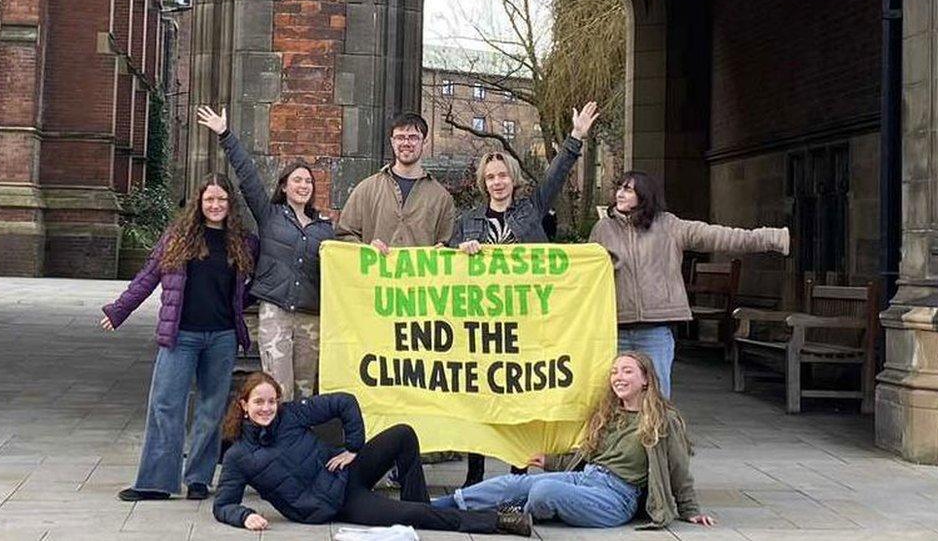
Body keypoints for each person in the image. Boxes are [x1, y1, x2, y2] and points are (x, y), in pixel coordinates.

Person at [452, 101, 600, 487]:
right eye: (490, 177)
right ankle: (475, 472)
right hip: (481, 324)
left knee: (517, 397)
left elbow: (556, 174)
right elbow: (443, 268)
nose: (497, 182)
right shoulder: (467, 221)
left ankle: (518, 470)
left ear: (512, 179)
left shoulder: (531, 211)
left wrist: (575, 137)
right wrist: (459, 252)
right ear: (483, 182)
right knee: (480, 398)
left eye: (502, 175)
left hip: (525, 322)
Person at [212, 372, 532, 536]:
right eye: (259, 402)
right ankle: (499, 522)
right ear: (243, 406)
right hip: (336, 505)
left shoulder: (292, 414)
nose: (267, 408)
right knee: (410, 515)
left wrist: (354, 446)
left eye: (272, 401)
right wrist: (244, 516)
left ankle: (419, 512)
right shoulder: (240, 455)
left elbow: (345, 402)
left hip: (345, 472)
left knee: (403, 434)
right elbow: (223, 504)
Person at [101, 174, 258, 501]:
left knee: (211, 409)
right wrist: (119, 310)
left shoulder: (244, 243)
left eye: (221, 200)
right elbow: (147, 277)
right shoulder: (178, 237)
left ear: (230, 204)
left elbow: (252, 287)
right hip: (180, 335)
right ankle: (156, 483)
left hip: (222, 337)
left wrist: (238, 305)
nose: (215, 206)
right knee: (165, 404)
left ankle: (199, 479)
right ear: (199, 204)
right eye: (209, 200)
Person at [432, 352, 715, 530]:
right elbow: (586, 455)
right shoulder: (609, 415)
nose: (618, 377)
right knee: (515, 483)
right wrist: (552, 461)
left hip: (617, 497)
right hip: (586, 478)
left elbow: (679, 469)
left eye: (627, 371)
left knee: (544, 490)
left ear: (646, 380)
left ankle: (507, 512)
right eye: (615, 372)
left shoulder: (664, 421)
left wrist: (691, 511)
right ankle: (440, 505)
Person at [589, 171, 790, 397]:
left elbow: (720, 236)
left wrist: (771, 237)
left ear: (644, 195)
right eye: (619, 188)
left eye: (628, 189)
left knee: (657, 397)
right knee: (615, 398)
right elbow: (587, 272)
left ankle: (658, 434)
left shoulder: (669, 226)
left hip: (655, 329)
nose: (620, 194)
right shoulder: (603, 229)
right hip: (616, 329)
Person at [196, 106, 333, 401]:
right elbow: (248, 177)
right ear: (284, 186)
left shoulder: (325, 229)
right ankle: (275, 445)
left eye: (308, 181)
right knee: (276, 389)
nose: (303, 185)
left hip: (311, 317)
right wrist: (225, 134)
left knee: (305, 392)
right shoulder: (270, 216)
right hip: (276, 313)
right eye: (297, 180)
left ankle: (298, 444)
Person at [336, 112, 455, 252]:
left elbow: (449, 247)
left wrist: (443, 250)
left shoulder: (441, 197)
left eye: (413, 138)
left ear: (425, 142)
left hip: (419, 274)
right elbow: (344, 235)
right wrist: (367, 248)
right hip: (375, 273)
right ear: (392, 142)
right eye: (400, 137)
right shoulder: (366, 189)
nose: (406, 143)